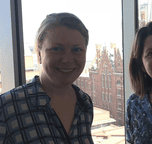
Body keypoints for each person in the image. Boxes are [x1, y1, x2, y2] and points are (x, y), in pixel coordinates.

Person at [0, 12, 94, 144]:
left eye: (77, 50)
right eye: (56, 49)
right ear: (39, 52)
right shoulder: (6, 107)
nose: (66, 59)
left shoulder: (85, 103)